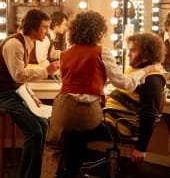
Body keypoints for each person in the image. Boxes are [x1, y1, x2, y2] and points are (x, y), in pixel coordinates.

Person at [40, 11, 160, 178]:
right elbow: (125, 83)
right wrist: (143, 72)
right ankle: (72, 172)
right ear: (98, 31)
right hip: (87, 111)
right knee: (79, 135)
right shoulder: (102, 52)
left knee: (53, 146)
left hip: (63, 106)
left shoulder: (65, 53)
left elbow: (66, 81)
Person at [0, 9, 60, 178]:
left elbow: (21, 76)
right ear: (33, 27)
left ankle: (34, 173)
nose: (48, 31)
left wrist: (31, 94)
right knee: (35, 132)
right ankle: (29, 175)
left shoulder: (26, 43)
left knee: (44, 125)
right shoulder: (14, 44)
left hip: (16, 92)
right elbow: (18, 75)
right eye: (44, 27)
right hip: (4, 96)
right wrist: (47, 71)